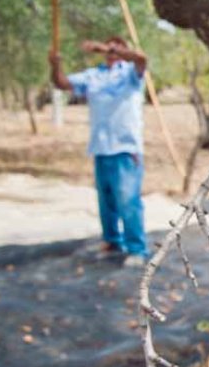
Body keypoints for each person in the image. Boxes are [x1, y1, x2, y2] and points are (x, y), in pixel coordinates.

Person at [49, 37, 148, 267]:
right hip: (101, 147)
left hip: (126, 148)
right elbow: (62, 83)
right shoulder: (94, 75)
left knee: (128, 200)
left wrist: (105, 48)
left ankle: (137, 249)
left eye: (117, 47)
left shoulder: (131, 74)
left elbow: (142, 59)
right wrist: (55, 65)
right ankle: (113, 241)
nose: (112, 51)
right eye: (109, 48)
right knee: (107, 200)